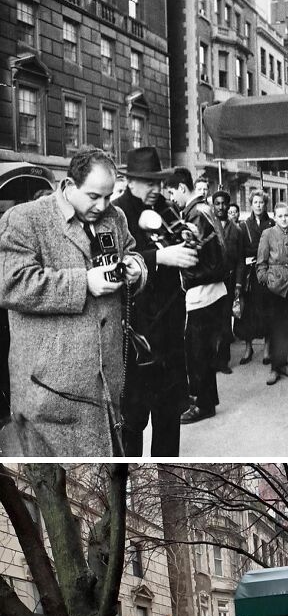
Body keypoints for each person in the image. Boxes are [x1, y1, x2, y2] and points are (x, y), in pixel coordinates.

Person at [0, 146, 146, 456]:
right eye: (94, 196)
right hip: (50, 390)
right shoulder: (25, 220)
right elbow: (11, 284)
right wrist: (85, 283)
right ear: (68, 186)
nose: (102, 205)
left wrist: (135, 267)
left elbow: (129, 250)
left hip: (106, 383)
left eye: (108, 196)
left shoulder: (114, 217)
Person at [113, 147, 198, 456]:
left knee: (168, 422)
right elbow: (114, 264)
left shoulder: (165, 209)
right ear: (131, 180)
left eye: (158, 183)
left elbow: (190, 247)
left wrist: (188, 242)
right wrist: (160, 257)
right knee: (131, 427)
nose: (155, 190)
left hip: (170, 334)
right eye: (149, 183)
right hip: (136, 335)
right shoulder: (116, 213)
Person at [162, 167, 227, 425]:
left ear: (181, 187)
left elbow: (198, 259)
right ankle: (207, 399)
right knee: (203, 351)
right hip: (213, 290)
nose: (171, 198)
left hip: (202, 292)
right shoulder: (204, 209)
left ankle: (202, 404)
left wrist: (181, 271)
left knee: (196, 352)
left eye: (171, 192)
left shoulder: (192, 216)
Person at [256, 203, 288, 385]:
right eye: (280, 216)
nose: (284, 219)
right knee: (276, 326)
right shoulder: (268, 234)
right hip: (275, 286)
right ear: (275, 217)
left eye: (286, 215)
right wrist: (266, 279)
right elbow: (261, 262)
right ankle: (275, 368)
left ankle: (283, 363)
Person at [235, 188, 274, 365]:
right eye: (255, 202)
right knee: (247, 313)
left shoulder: (272, 224)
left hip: (266, 273)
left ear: (266, 204)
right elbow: (239, 255)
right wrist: (239, 281)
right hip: (249, 275)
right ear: (251, 204)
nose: (259, 205)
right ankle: (248, 348)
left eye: (262, 202)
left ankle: (267, 349)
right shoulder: (243, 226)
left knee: (267, 311)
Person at [211, 188, 245, 374]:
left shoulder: (237, 230)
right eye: (217, 203)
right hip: (210, 281)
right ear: (213, 205)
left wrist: (238, 284)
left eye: (224, 203)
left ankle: (223, 360)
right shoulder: (208, 226)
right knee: (211, 321)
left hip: (229, 281)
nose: (221, 207)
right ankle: (210, 359)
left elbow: (240, 260)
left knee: (225, 321)